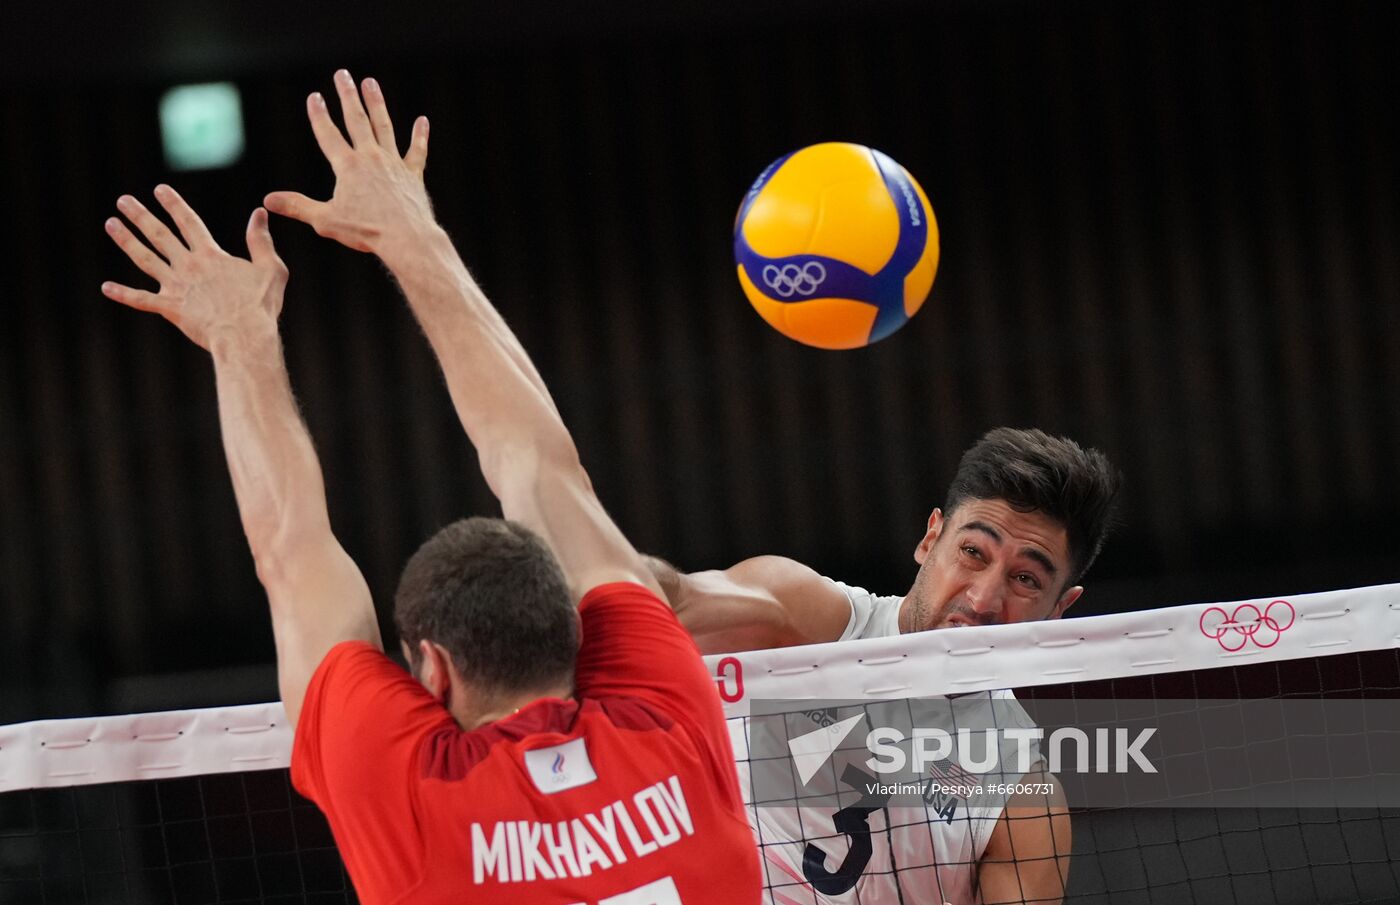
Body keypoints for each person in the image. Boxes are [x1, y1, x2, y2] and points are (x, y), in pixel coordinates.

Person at [102, 70, 761, 905]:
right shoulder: (669, 721)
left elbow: (291, 552)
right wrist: (416, 239)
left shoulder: (412, 799)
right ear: (574, 630)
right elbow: (541, 466)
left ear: (435, 670)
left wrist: (239, 339)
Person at [650, 428, 1121, 904]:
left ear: (1060, 609)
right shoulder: (806, 618)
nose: (982, 600)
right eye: (973, 552)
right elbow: (658, 601)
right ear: (930, 538)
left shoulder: (1022, 802)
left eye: (1025, 578)